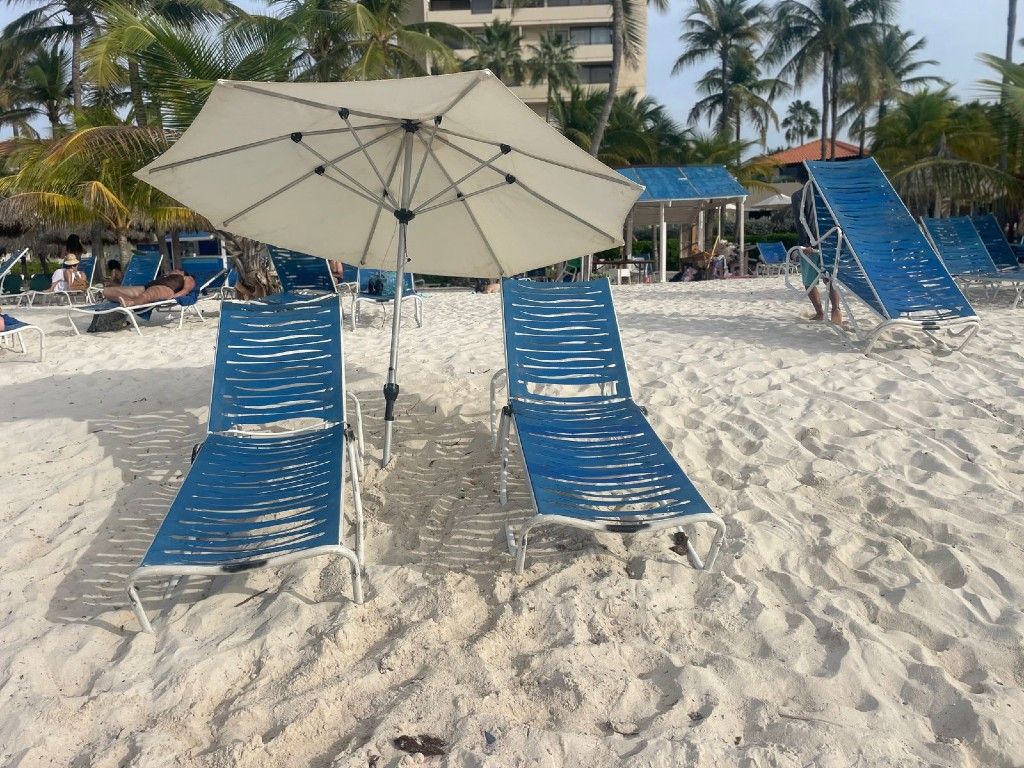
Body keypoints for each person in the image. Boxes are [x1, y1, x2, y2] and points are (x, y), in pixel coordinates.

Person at [790, 169, 842, 325]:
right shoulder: (827, 194)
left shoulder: (798, 196)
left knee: (809, 281)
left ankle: (820, 313)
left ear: (799, 179)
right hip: (831, 243)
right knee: (829, 278)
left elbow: (801, 221)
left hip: (811, 244)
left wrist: (806, 243)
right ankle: (836, 311)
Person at [103, 269, 195, 307]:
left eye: (177, 269)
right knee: (107, 291)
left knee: (152, 291)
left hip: (167, 289)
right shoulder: (166, 276)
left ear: (182, 272)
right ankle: (131, 300)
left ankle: (131, 303)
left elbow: (186, 290)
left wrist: (175, 296)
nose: (174, 270)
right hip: (146, 287)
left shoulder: (186, 277)